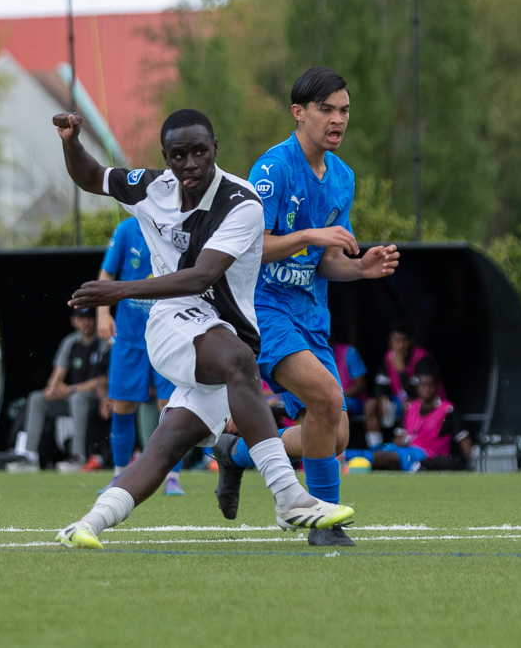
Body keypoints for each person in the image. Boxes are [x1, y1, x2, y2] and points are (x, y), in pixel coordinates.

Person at [51, 107, 353, 550]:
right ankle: (290, 498)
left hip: (221, 335)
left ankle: (85, 526)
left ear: (215, 149)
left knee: (168, 444)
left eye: (198, 152)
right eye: (178, 155)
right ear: (166, 157)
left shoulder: (242, 202)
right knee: (239, 361)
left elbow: (202, 275)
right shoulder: (152, 187)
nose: (190, 164)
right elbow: (92, 175)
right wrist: (71, 142)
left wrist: (119, 291)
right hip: (175, 324)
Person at [212, 67, 398, 549]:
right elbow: (252, 247)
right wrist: (312, 236)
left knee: (334, 432)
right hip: (264, 308)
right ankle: (324, 523)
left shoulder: (343, 178)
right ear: (299, 113)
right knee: (326, 399)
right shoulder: (272, 169)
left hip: (312, 315)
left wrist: (361, 269)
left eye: (344, 111)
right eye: (327, 110)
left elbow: (328, 262)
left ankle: (237, 453)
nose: (338, 120)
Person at [96, 216, 182, 496]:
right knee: (122, 406)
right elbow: (107, 274)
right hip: (130, 337)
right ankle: (119, 476)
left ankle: (172, 477)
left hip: (167, 334)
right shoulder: (126, 229)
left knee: (169, 405)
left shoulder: (178, 225)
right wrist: (103, 312)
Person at [7, 308, 110, 472]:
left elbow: (103, 380)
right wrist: (52, 390)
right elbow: (58, 373)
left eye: (89, 317)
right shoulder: (70, 342)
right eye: (81, 318)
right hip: (73, 396)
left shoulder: (103, 343)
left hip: (96, 399)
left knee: (78, 398)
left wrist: (71, 389)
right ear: (74, 321)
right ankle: (30, 456)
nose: (86, 322)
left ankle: (78, 456)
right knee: (37, 398)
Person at [346, 360, 471, 471]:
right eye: (423, 385)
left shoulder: (448, 409)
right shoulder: (411, 407)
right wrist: (402, 440)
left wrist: (472, 464)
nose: (426, 389)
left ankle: (344, 464)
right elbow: (398, 437)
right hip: (406, 451)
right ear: (417, 387)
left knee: (385, 458)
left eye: (430, 385)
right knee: (385, 454)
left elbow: (463, 439)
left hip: (427, 455)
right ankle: (341, 457)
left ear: (436, 386)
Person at [364, 319, 445, 447]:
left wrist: (401, 370)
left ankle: (403, 446)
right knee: (371, 404)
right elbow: (380, 384)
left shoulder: (422, 359)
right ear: (390, 341)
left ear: (411, 341)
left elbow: (419, 392)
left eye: (404, 340)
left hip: (427, 404)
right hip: (400, 401)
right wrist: (382, 398)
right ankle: (376, 449)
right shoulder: (388, 357)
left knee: (409, 404)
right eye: (396, 340)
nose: (400, 345)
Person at [333, 342, 369, 416]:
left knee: (338, 409)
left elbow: (360, 385)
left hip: (352, 399)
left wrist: (338, 395)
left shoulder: (349, 352)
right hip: (328, 400)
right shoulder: (315, 355)